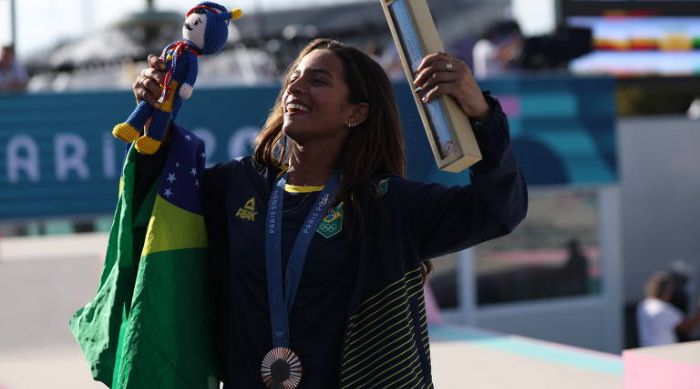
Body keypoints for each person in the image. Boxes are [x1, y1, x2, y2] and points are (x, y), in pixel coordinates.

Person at [132, 38, 528, 387]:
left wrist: (481, 115)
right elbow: (161, 208)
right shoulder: (238, 186)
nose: (295, 86)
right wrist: (155, 119)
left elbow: (498, 210)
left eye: (318, 81)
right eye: (294, 77)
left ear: (355, 113)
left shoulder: (387, 204)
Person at [637, 271, 700, 347]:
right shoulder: (663, 309)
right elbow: (688, 327)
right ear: (665, 290)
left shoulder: (643, 305)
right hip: (664, 351)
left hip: (648, 349)